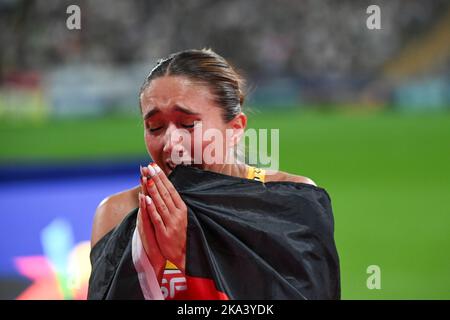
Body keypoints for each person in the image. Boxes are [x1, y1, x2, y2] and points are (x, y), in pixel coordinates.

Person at [88, 48, 339, 300]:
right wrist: (145, 268)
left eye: (188, 124)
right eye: (155, 127)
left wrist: (189, 255)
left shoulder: (288, 204)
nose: (170, 143)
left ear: (235, 128)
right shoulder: (118, 214)